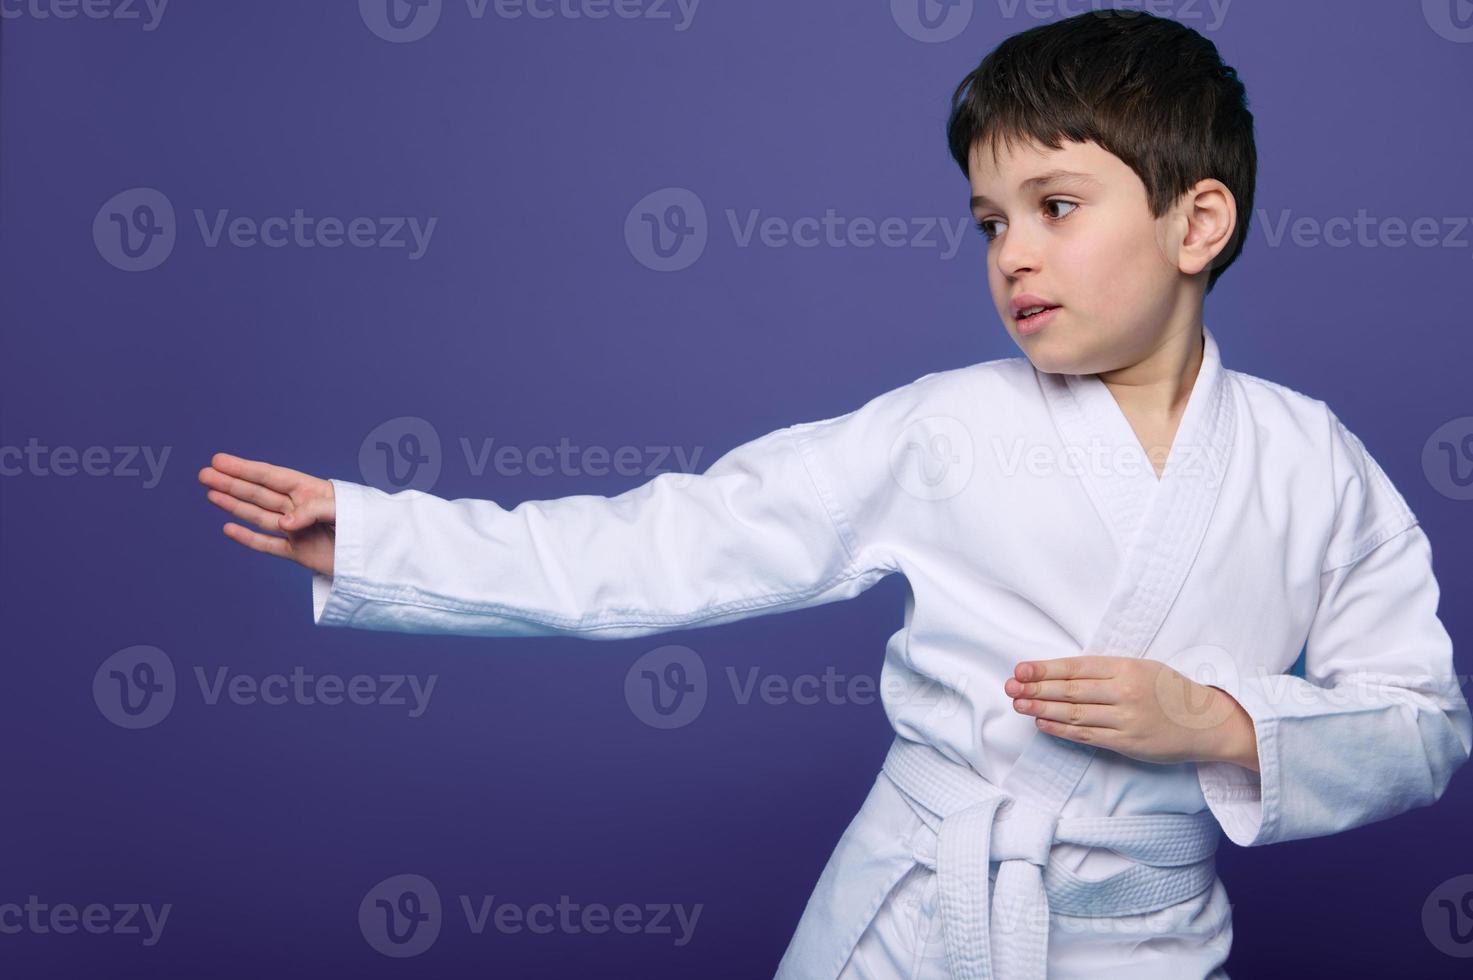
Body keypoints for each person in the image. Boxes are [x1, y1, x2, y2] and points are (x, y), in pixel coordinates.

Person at [197, 12, 1471, 979]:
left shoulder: (1315, 465)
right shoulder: (942, 428)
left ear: (1198, 224)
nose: (1013, 251)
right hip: (917, 917)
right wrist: (378, 538)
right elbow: (666, 543)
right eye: (988, 221)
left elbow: (1421, 724)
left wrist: (1219, 721)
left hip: (1145, 939)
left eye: (1057, 204)